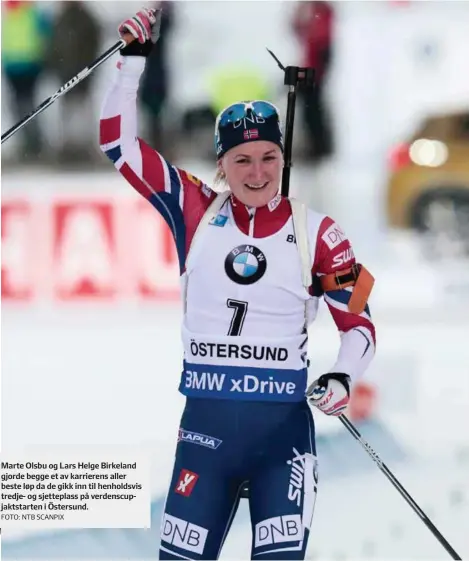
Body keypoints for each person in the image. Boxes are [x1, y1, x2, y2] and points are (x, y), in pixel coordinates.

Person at [99, 8, 376, 560]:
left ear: (283, 157)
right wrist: (131, 63)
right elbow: (119, 146)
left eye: (269, 157)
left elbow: (361, 320)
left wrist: (344, 376)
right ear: (222, 164)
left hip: (283, 442)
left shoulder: (320, 232)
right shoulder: (195, 209)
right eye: (242, 160)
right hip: (205, 438)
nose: (257, 172)